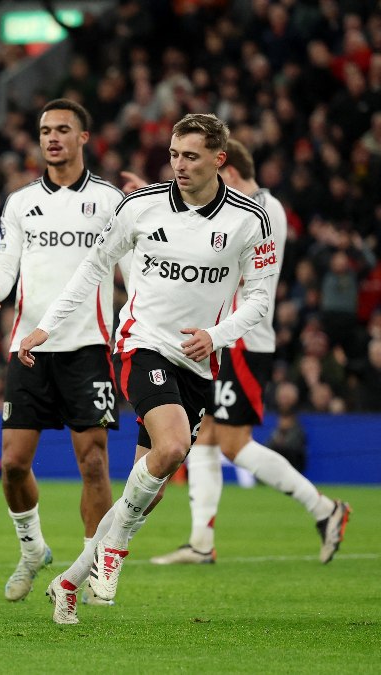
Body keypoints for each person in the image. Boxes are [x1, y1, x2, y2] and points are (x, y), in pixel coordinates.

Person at [19, 113, 281, 625]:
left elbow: (259, 300)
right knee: (173, 446)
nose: (179, 165)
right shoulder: (140, 206)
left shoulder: (250, 220)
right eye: (175, 154)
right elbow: (94, 267)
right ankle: (113, 552)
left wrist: (216, 337)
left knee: (152, 485)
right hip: (142, 344)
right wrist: (46, 327)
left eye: (191, 156)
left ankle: (69, 582)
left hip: (201, 361)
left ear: (218, 159)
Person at [142, 140, 350, 566]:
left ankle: (324, 508)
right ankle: (201, 541)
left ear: (229, 171)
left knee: (234, 443)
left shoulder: (261, 210)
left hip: (242, 340)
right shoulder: (255, 208)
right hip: (222, 339)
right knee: (204, 437)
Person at [0, 99, 126, 603]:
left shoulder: (110, 201)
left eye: (63, 129)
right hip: (29, 347)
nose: (52, 138)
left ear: (85, 137)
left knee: (94, 463)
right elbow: (7, 262)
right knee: (13, 464)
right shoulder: (20, 203)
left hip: (88, 347)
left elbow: (136, 265)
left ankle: (95, 567)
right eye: (45, 131)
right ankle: (33, 548)